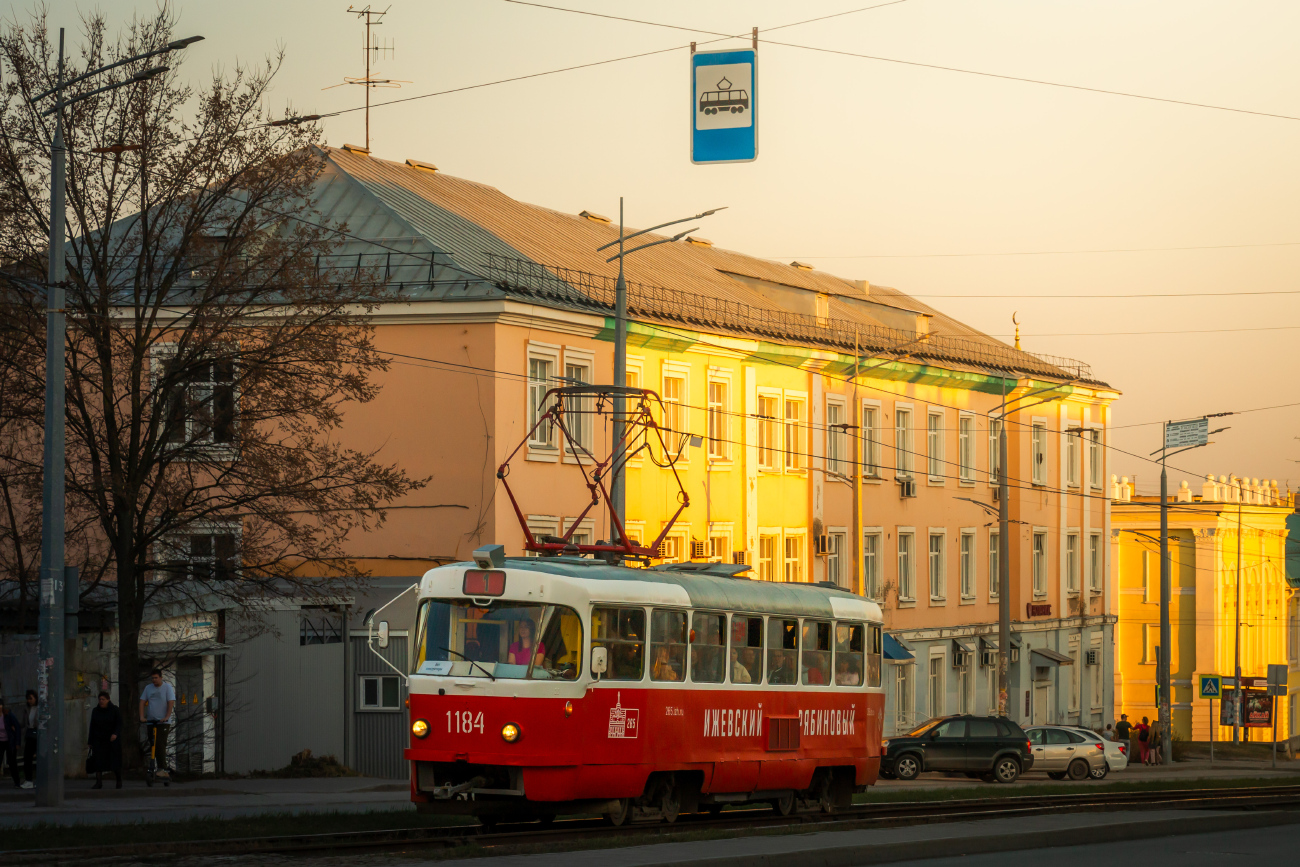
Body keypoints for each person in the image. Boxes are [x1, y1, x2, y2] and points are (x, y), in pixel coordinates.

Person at [139, 669, 176, 776]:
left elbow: (171, 702)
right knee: (153, 744)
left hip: (163, 722)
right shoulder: (148, 688)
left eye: (156, 678)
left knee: (160, 744)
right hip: (151, 721)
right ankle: (154, 767)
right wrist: (142, 716)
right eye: (152, 678)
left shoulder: (167, 688)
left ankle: (162, 768)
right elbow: (142, 702)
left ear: (161, 677)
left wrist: (166, 717)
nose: (154, 680)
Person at [87, 691, 123, 789]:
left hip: (111, 739)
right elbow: (92, 726)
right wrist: (90, 741)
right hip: (99, 739)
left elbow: (119, 723)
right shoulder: (96, 711)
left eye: (103, 699)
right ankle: (99, 782)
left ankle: (119, 780)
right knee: (98, 761)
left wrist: (115, 733)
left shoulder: (114, 710)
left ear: (108, 700)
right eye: (100, 700)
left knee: (114, 761)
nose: (101, 701)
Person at [0, 701, 19, 787]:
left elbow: (17, 727)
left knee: (12, 762)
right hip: (0, 741)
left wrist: (17, 743)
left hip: (9, 741)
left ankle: (17, 782)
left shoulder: (8, 715)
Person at [21, 690, 37, 788]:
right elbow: (24, 723)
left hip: (38, 732)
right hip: (29, 733)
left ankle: (40, 780)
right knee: (27, 757)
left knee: (40, 757)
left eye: (31, 698)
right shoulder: (27, 709)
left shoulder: (40, 708)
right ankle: (28, 780)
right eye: (28, 699)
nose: (29, 701)